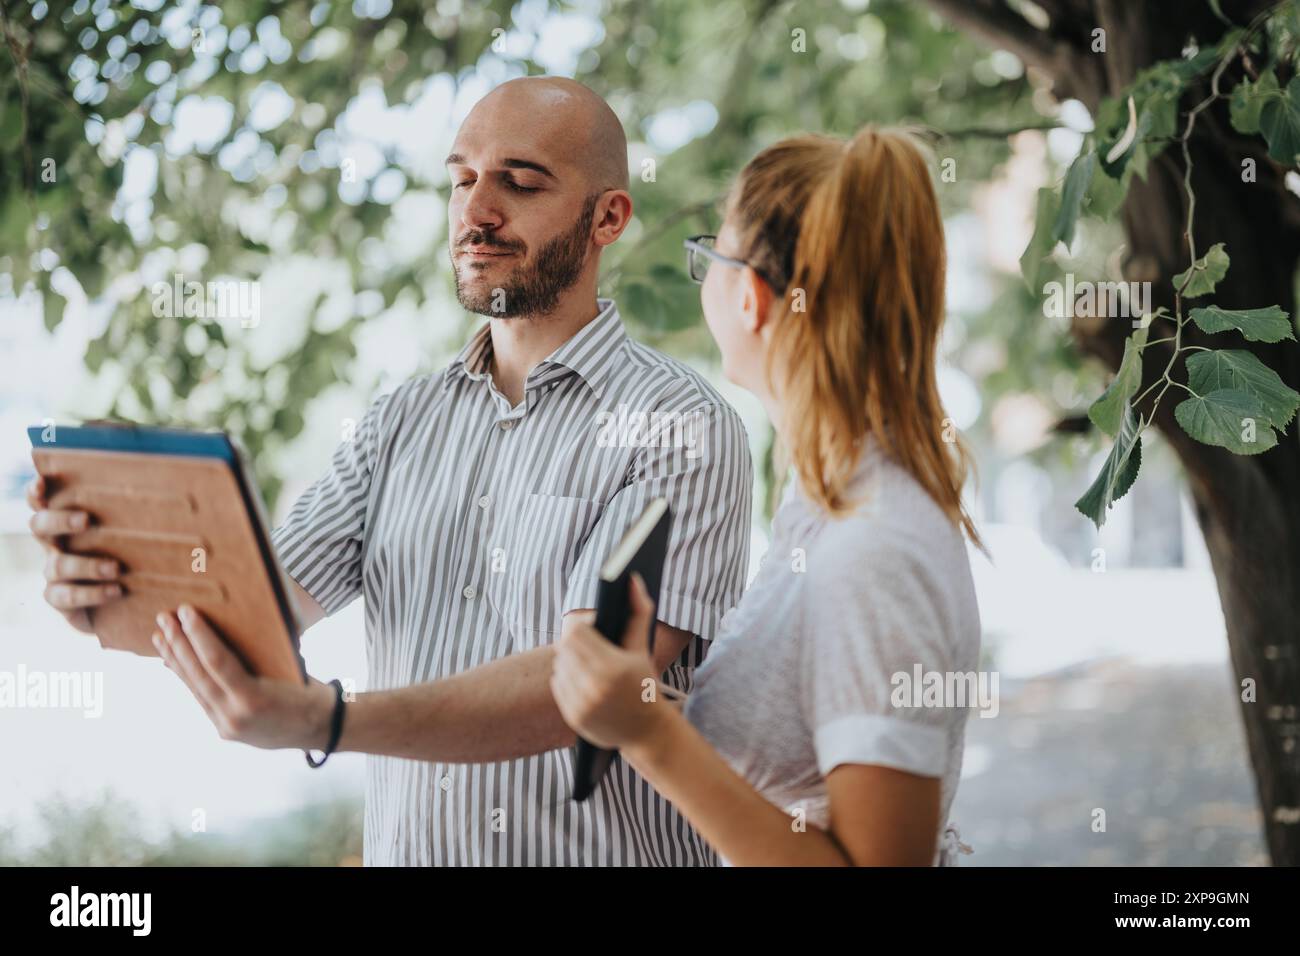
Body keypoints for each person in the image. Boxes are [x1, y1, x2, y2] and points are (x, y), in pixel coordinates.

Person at [27, 76, 753, 866]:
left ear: (609, 215)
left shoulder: (681, 425)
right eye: (461, 179)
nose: (476, 211)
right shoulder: (396, 421)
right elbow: (250, 611)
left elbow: (589, 691)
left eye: (519, 181)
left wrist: (328, 721)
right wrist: (115, 571)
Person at [551, 126, 983, 866]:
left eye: (709, 257)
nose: (704, 278)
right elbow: (801, 748)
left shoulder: (872, 548)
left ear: (749, 297)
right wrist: (643, 703)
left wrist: (650, 738)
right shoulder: (825, 507)